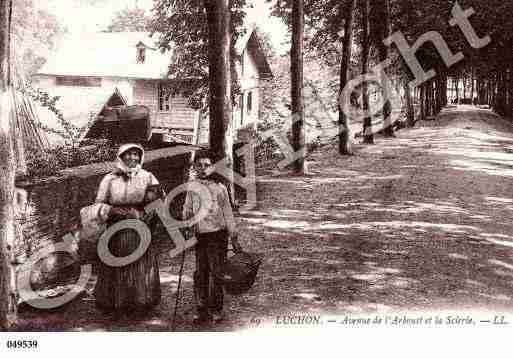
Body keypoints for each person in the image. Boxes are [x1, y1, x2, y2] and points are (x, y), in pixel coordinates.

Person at [94, 143, 161, 313]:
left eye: (136, 154)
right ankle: (115, 303)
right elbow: (98, 204)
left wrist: (144, 213)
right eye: (128, 154)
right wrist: (112, 210)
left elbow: (157, 202)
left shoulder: (148, 177)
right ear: (121, 157)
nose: (132, 158)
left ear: (140, 157)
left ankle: (141, 302)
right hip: (116, 230)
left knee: (139, 263)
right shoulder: (109, 179)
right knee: (116, 263)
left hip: (139, 227)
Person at [183, 150, 238, 325]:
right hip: (201, 236)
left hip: (218, 235)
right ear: (195, 167)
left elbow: (228, 212)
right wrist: (187, 221)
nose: (203, 168)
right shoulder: (192, 187)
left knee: (217, 272)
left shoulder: (220, 188)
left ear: (213, 167)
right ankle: (201, 308)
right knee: (201, 272)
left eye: (207, 165)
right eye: (199, 165)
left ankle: (216, 309)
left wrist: (233, 235)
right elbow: (187, 208)